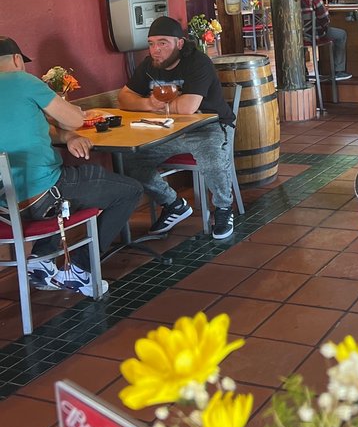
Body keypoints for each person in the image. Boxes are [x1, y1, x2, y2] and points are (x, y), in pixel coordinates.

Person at [0, 36, 143, 297]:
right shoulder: (23, 81)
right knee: (128, 190)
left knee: (70, 186)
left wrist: (66, 137)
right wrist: (70, 121)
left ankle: (41, 261)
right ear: (17, 60)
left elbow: (38, 129)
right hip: (43, 196)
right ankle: (79, 268)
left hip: (6, 206)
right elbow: (75, 119)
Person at [118, 16, 237, 241]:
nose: (156, 50)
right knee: (129, 161)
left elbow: (188, 107)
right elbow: (124, 97)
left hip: (210, 125)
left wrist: (158, 105)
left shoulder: (198, 62)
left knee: (210, 156)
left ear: (179, 43)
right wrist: (148, 104)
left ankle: (223, 208)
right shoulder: (149, 65)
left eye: (163, 43)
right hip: (168, 130)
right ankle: (173, 204)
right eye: (151, 43)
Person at [299, 0, 351, 81]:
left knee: (299, 41)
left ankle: (302, 72)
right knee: (341, 35)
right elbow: (324, 17)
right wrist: (324, 26)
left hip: (294, 37)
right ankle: (338, 71)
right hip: (314, 35)